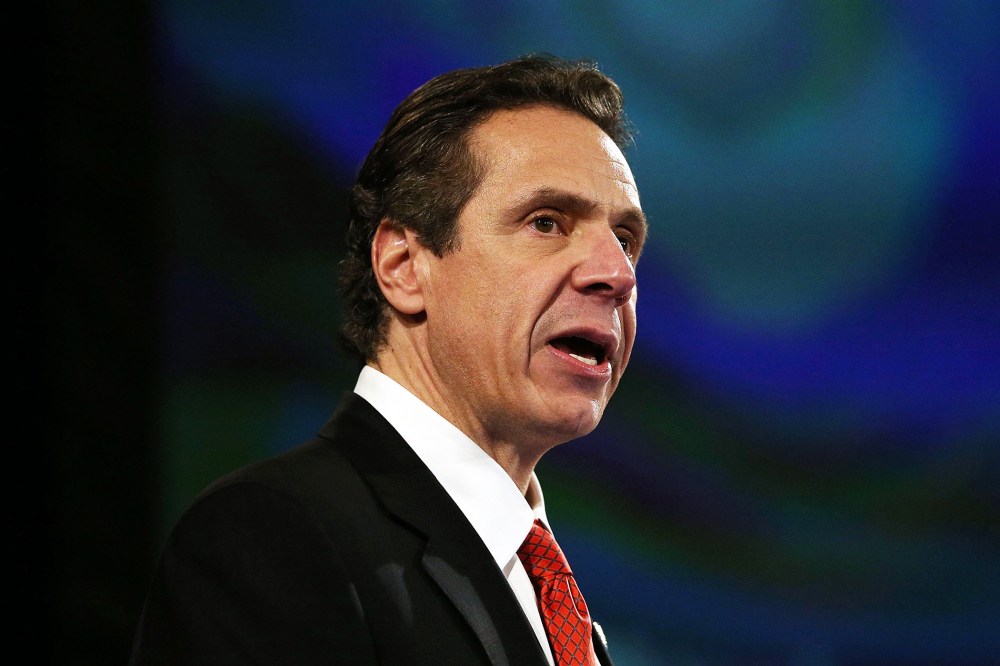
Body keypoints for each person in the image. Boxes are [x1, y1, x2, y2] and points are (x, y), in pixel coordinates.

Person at [131, 54, 646, 666]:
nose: (617, 273)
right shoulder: (275, 536)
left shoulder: (549, 594)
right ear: (403, 267)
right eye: (546, 223)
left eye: (624, 240)